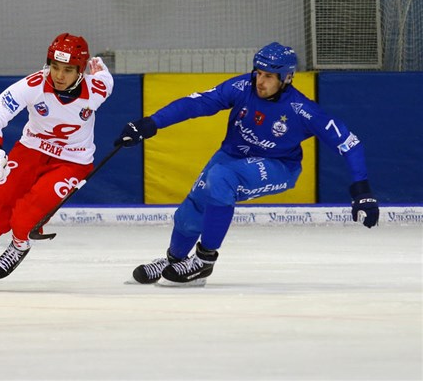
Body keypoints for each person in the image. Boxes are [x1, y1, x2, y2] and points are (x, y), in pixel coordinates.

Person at [115, 42, 379, 287]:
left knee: (220, 178)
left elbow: (349, 143)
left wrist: (362, 191)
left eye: (268, 76)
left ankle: (205, 261)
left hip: (278, 166)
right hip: (231, 156)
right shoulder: (242, 87)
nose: (260, 81)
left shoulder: (303, 110)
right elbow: (196, 104)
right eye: (258, 73)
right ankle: (174, 260)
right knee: (192, 208)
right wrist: (151, 123)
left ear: (286, 78)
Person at [0, 33, 114, 290]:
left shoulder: (98, 89)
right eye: (55, 67)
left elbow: (104, 78)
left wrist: (101, 70)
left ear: (81, 70)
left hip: (72, 161)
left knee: (26, 217)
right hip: (29, 151)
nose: (58, 75)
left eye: (68, 70)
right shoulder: (33, 85)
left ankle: (20, 244)